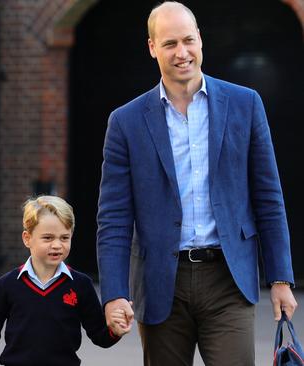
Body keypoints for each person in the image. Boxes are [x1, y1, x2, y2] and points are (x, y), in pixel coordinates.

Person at [96, 2, 298, 364]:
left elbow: (269, 197)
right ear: (152, 47)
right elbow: (113, 219)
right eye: (170, 43)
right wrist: (114, 293)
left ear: (200, 40)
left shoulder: (245, 104)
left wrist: (280, 277)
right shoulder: (125, 122)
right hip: (160, 284)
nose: (182, 52)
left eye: (188, 40)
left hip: (228, 279)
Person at [0, 196, 130, 366]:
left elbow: (99, 335)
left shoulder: (81, 284)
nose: (57, 245)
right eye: (48, 238)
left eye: (64, 238)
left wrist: (115, 330)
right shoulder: (8, 284)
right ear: (27, 238)